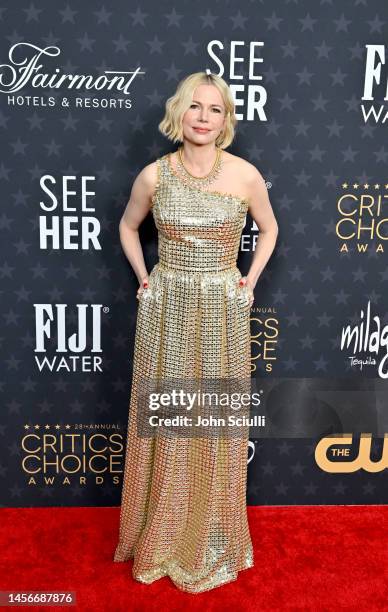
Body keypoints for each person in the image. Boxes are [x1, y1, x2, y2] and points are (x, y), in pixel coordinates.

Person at [113, 71, 278, 593]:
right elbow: (126, 226)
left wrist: (248, 279)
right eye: (195, 107)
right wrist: (145, 278)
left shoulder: (246, 175)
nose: (204, 118)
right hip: (168, 310)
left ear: (227, 120)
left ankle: (211, 531)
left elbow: (271, 229)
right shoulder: (153, 176)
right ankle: (160, 531)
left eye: (216, 109)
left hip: (223, 312)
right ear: (178, 114)